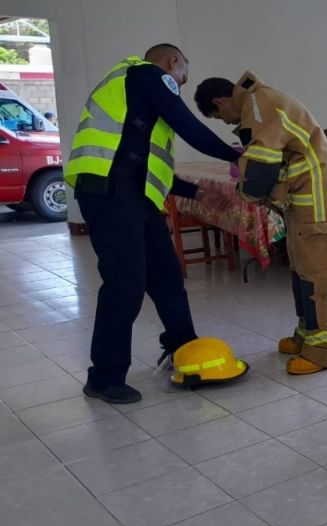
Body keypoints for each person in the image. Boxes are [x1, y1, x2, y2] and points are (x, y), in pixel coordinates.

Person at [64, 44, 240, 404]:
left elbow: (146, 165)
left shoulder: (137, 99)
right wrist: (237, 154)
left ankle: (183, 348)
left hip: (130, 192)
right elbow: (190, 127)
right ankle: (104, 377)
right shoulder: (147, 75)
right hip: (109, 192)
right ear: (173, 63)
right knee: (125, 284)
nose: (180, 85)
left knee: (166, 275)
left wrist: (199, 193)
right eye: (183, 76)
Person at [194, 73, 327, 375]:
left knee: (320, 279)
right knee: (303, 273)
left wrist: (246, 186)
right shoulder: (259, 103)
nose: (226, 122)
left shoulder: (259, 105)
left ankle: (325, 351)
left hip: (318, 205)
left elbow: (262, 169)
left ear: (219, 102)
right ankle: (307, 334)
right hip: (303, 205)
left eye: (220, 116)